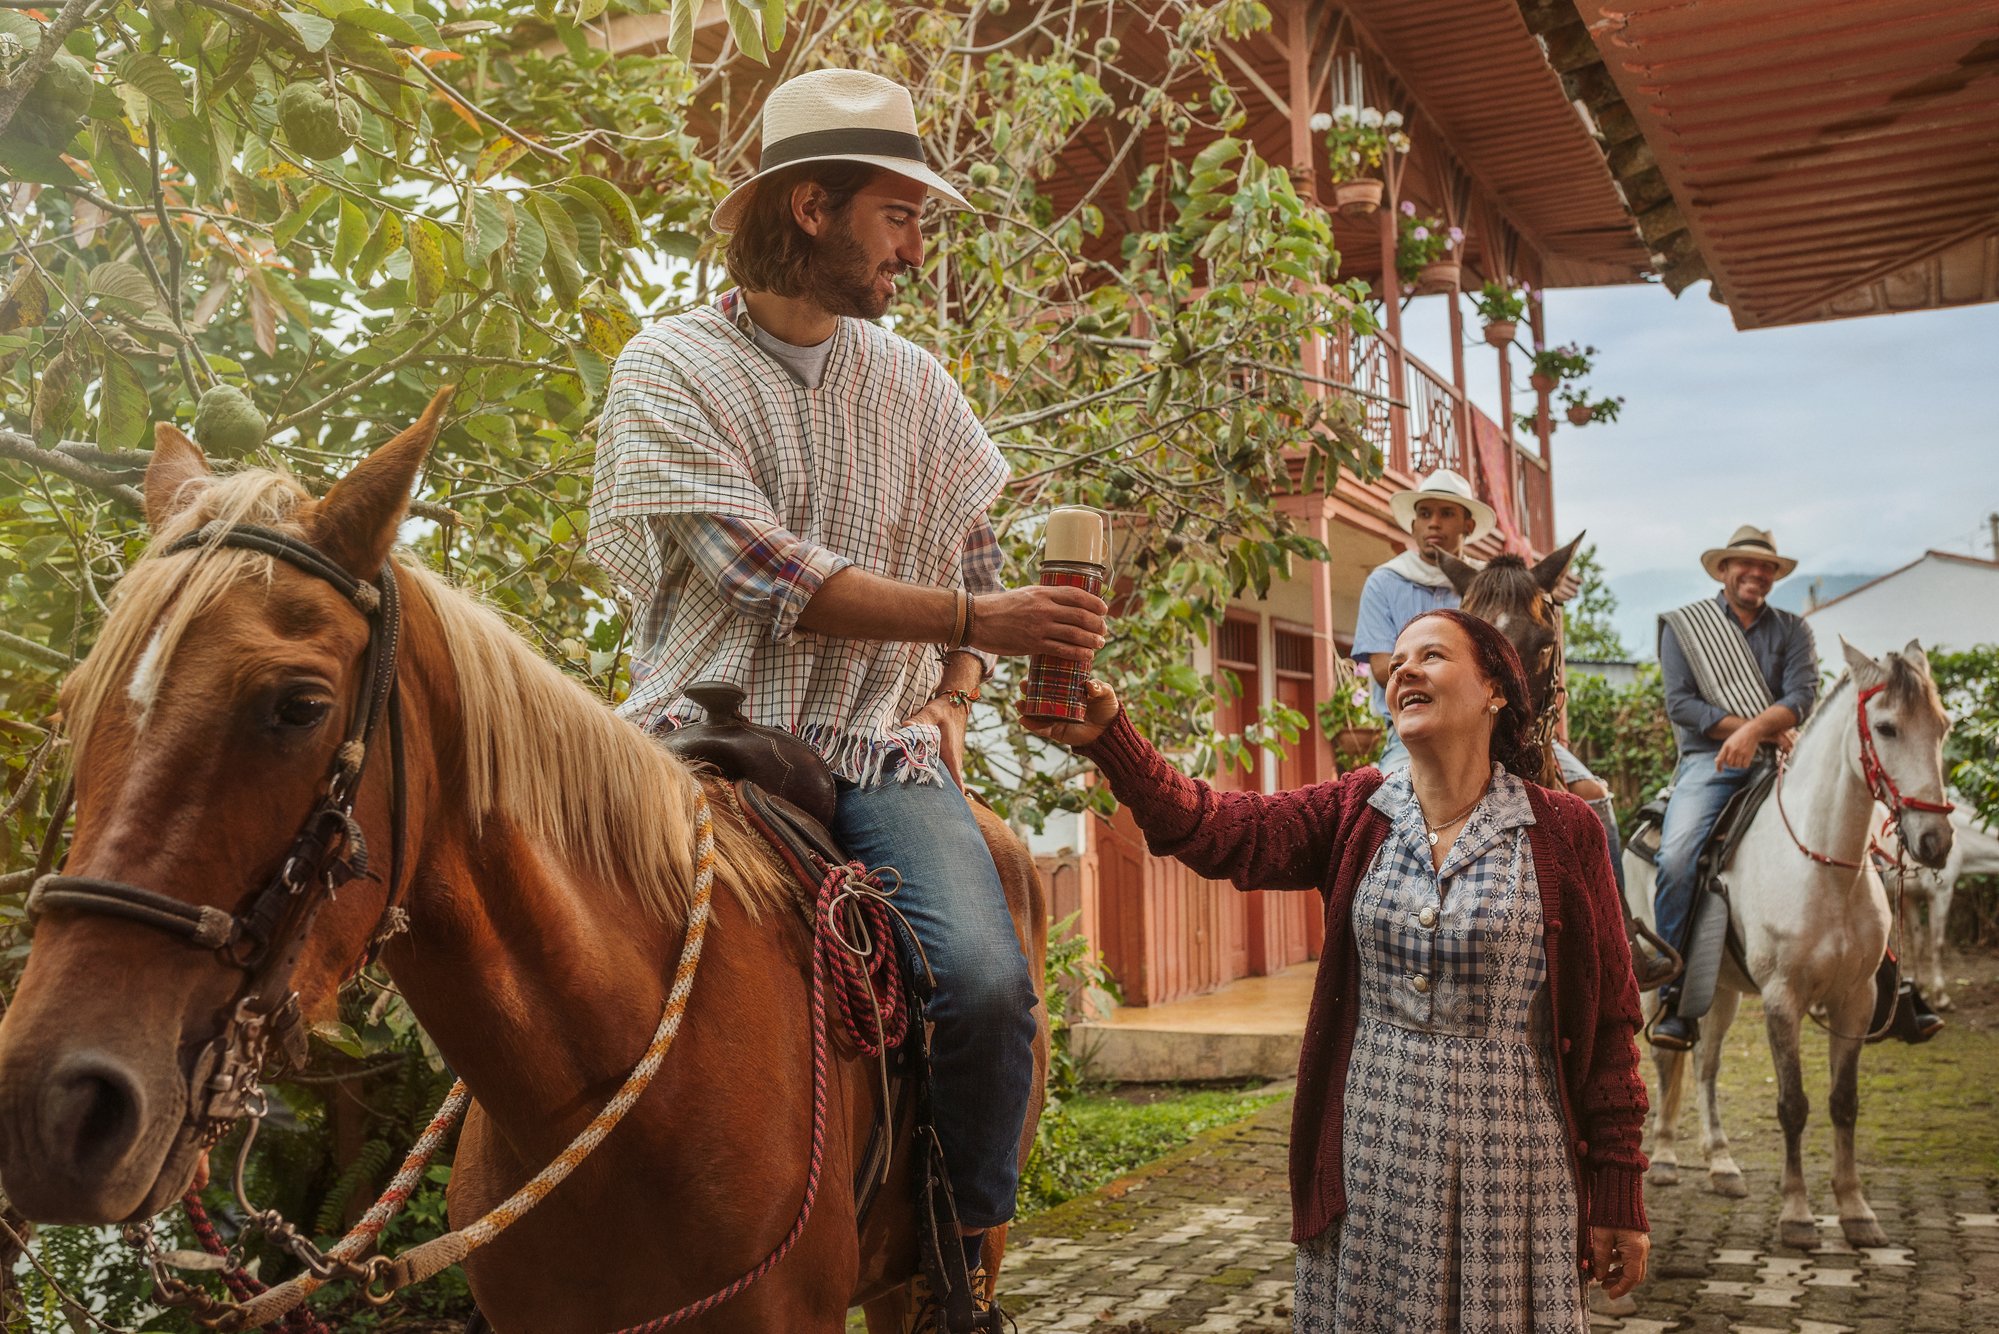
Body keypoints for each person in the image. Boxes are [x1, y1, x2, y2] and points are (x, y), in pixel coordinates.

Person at [586, 68, 1108, 1280]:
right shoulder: (666, 367)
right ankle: (518, 1238)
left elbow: (976, 553)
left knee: (982, 983)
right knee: (535, 931)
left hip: (878, 749)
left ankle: (959, 1246)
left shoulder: (919, 384)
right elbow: (770, 576)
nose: (916, 250)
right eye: (899, 216)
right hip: (692, 735)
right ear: (810, 206)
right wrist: (988, 615)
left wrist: (956, 694)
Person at [1027, 609, 1650, 1330]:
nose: (1405, 670)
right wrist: (1113, 738)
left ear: (1494, 691)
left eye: (1434, 656)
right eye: (1399, 661)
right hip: (1369, 1157)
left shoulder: (1562, 830)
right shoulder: (1359, 809)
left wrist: (1617, 1192)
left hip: (1511, 1170)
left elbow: (1608, 1024)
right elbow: (1214, 828)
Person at [1650, 525, 1817, 1050]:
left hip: (1780, 753)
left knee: (1862, 834)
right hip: (1709, 760)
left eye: (1767, 567)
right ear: (1723, 571)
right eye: (1745, 565)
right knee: (1675, 859)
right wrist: (1746, 731)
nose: (1757, 574)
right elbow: (1682, 706)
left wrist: (1752, 732)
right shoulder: (1685, 628)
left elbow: (1803, 696)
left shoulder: (1793, 629)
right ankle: (1675, 998)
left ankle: (1892, 981)